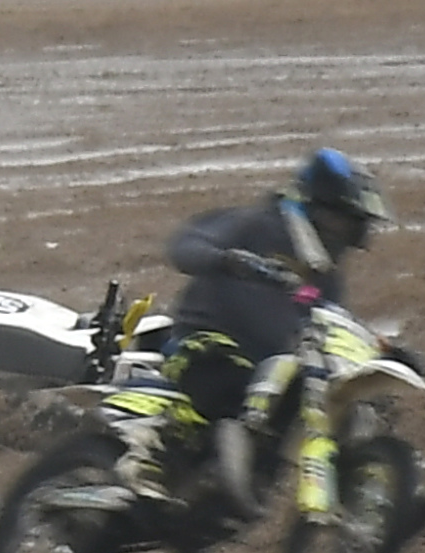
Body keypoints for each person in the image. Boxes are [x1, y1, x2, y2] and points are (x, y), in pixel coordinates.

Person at [114, 148, 402, 525]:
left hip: (271, 368)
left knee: (297, 416)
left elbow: (330, 320)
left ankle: (223, 495)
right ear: (322, 208)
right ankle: (149, 456)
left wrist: (376, 354)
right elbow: (184, 246)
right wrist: (228, 260)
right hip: (206, 336)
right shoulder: (257, 224)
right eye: (347, 222)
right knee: (220, 379)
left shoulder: (326, 275)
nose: (351, 235)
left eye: (357, 226)